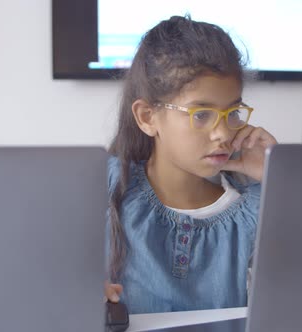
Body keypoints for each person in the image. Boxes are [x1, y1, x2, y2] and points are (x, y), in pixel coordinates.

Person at [104, 15, 277, 314]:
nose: (223, 133)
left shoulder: (256, 207)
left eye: (233, 112)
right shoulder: (105, 190)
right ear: (147, 117)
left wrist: (278, 179)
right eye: (201, 115)